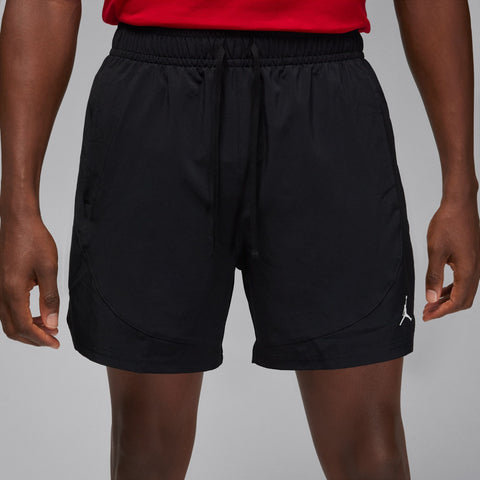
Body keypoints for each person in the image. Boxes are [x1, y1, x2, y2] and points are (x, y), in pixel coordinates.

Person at [0, 0, 478, 479]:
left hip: (326, 97)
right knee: (145, 448)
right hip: (155, 95)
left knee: (370, 451)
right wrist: (18, 207)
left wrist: (460, 187)